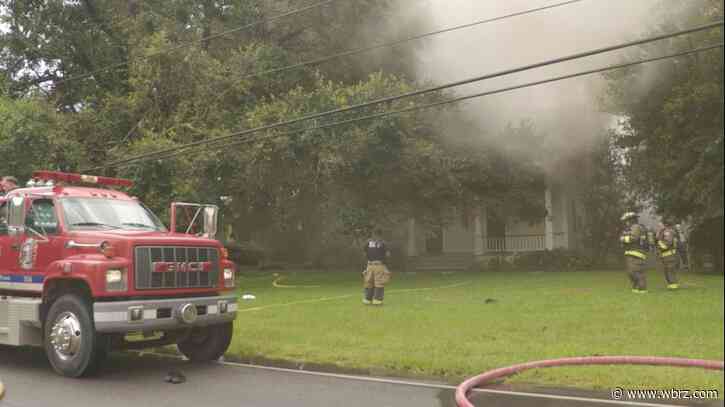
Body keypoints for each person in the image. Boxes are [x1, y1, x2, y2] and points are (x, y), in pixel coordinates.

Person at [619, 212, 650, 293]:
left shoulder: (635, 227)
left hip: (637, 252)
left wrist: (623, 239)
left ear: (630, 220)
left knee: (637, 271)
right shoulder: (631, 228)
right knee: (631, 272)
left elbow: (634, 238)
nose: (625, 223)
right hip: (632, 252)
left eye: (626, 221)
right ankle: (636, 288)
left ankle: (642, 289)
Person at [362, 228, 391, 305]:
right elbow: (387, 254)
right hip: (378, 264)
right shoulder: (383, 243)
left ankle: (368, 299)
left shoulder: (368, 242)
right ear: (380, 234)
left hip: (370, 265)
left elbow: (364, 253)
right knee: (379, 282)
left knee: (368, 282)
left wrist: (368, 260)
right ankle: (377, 300)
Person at [656, 219, 680, 290]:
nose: (658, 226)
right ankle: (671, 285)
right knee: (667, 271)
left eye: (660, 225)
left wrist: (659, 242)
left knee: (670, 270)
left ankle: (673, 286)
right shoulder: (664, 232)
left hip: (669, 255)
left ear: (665, 224)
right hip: (666, 255)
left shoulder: (668, 232)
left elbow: (667, 244)